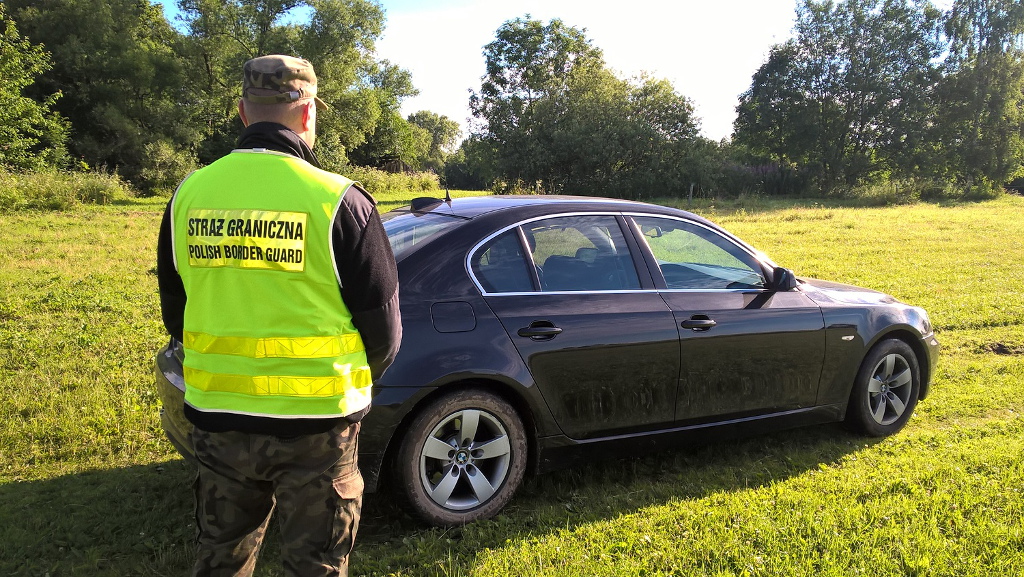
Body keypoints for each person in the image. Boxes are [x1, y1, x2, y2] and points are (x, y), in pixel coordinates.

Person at [156, 54, 401, 577]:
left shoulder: (187, 196)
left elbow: (176, 317)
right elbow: (383, 333)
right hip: (318, 428)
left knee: (221, 560)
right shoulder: (340, 201)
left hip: (217, 421)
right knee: (315, 565)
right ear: (309, 114)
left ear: (244, 113)